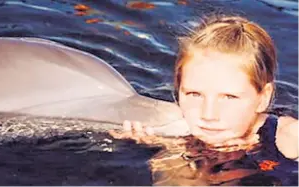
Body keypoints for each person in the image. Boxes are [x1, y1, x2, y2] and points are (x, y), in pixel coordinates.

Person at [110, 15, 298, 161]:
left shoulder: (287, 138)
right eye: (194, 94)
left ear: (263, 98)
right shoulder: (175, 130)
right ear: (178, 89)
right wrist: (165, 147)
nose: (208, 115)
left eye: (229, 97)